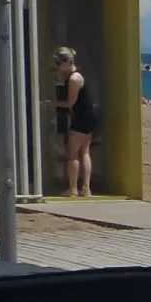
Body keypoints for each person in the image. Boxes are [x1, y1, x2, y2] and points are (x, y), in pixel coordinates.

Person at [55, 46, 97, 197]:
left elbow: (70, 103)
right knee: (84, 151)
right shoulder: (76, 76)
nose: (58, 67)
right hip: (89, 115)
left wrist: (52, 103)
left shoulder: (74, 79)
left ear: (68, 61)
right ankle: (86, 188)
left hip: (82, 116)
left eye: (59, 63)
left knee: (72, 154)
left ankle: (72, 189)